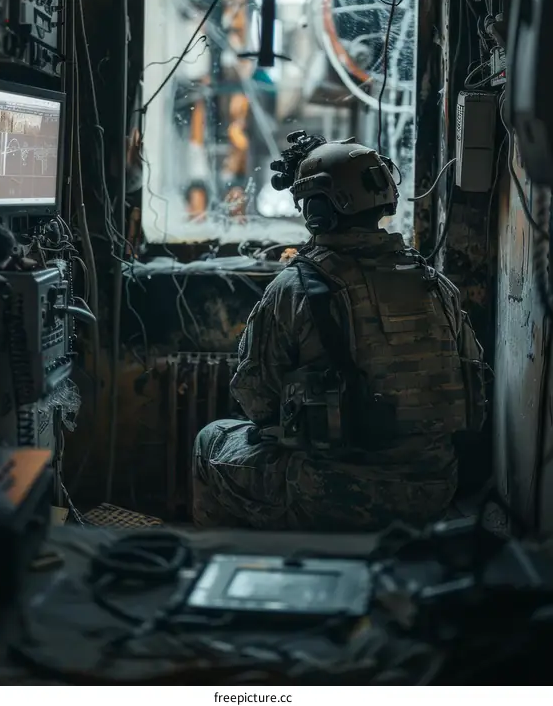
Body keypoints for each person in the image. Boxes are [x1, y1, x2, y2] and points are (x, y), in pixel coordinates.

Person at [192, 135, 487, 531]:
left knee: (210, 440)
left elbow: (255, 398)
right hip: (432, 490)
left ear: (317, 211)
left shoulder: (293, 288)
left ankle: (230, 572)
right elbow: (473, 385)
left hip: (329, 495)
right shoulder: (435, 284)